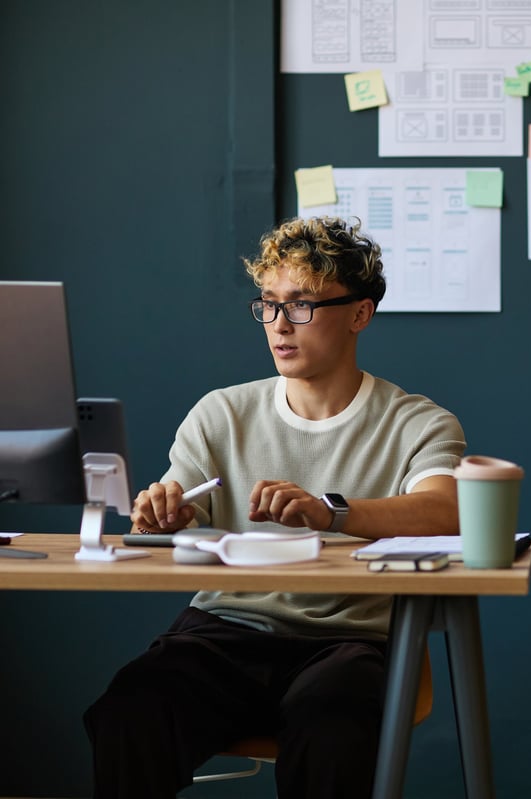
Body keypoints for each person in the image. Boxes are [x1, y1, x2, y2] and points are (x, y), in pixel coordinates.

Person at [83, 216, 465, 799]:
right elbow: (176, 507)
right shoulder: (220, 413)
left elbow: (444, 512)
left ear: (360, 314)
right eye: (269, 304)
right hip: (223, 632)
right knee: (130, 709)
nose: (280, 325)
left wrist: (330, 512)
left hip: (350, 640)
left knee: (334, 727)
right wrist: (161, 513)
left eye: (303, 305)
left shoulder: (418, 422)